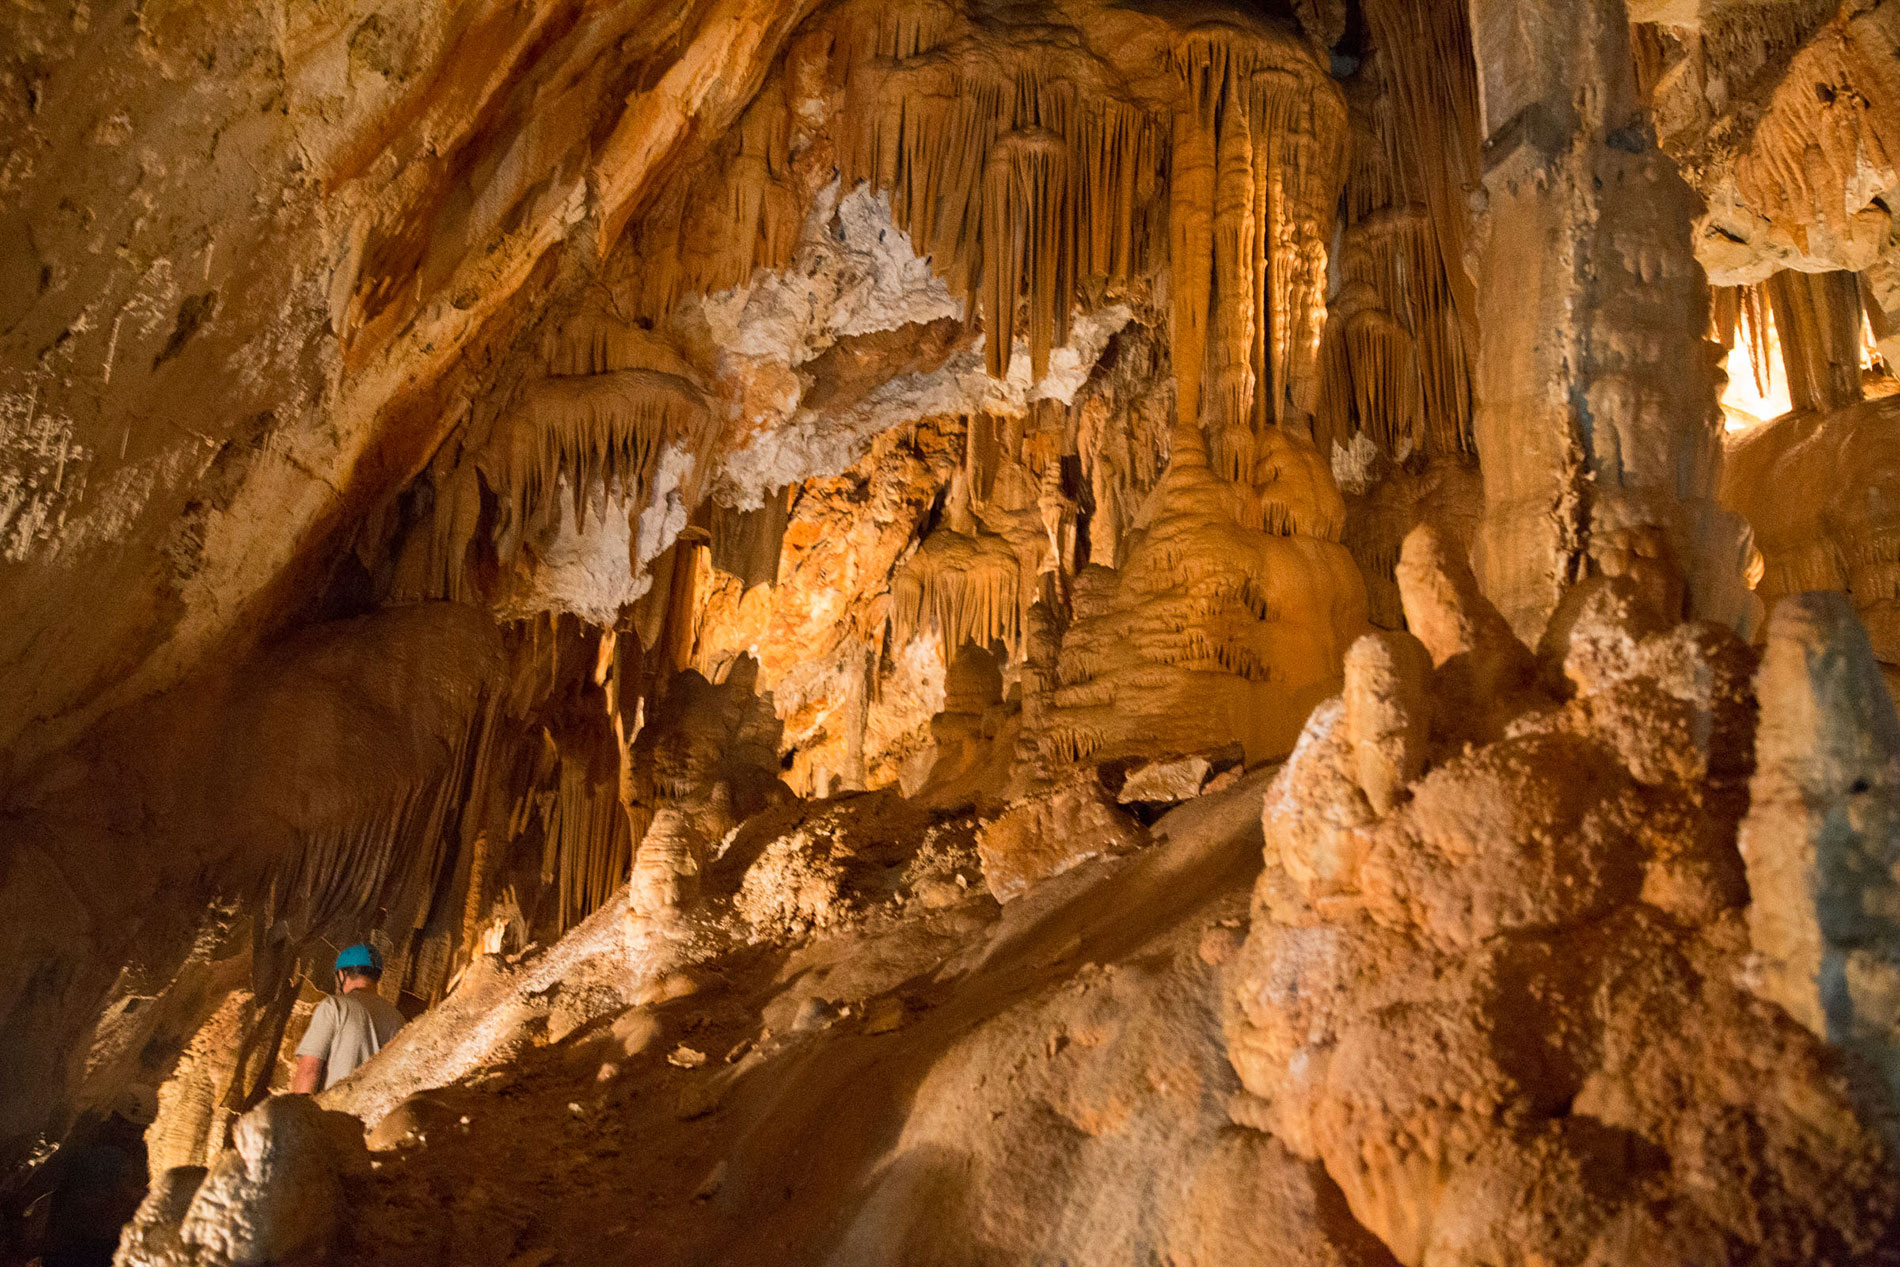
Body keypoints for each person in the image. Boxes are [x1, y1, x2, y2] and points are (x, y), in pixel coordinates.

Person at [291, 943, 406, 1093]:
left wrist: (301, 1111)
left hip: (335, 1111)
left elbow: (309, 1069)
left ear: (341, 975)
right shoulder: (397, 1018)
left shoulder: (334, 1006)